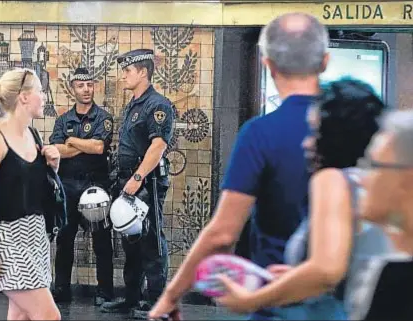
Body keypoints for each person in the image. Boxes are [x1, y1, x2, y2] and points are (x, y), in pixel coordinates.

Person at [149, 13, 329, 320]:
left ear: (267, 63)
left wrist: (170, 296)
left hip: (277, 306)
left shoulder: (261, 134)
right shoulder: (361, 129)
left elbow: (222, 233)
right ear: (325, 62)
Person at [214, 79, 391, 319]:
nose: (307, 143)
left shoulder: (332, 180)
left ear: (336, 137)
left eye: (316, 132)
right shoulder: (374, 185)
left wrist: (252, 300)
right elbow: (351, 270)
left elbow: (326, 271)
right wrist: (296, 276)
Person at [0, 68, 61, 320]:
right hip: (7, 238)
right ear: (24, 97)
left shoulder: (33, 136)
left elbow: (36, 189)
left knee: (21, 316)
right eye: (39, 91)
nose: (44, 96)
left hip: (35, 235)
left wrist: (54, 166)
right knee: (49, 316)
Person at [100, 49, 174, 319]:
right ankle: (132, 298)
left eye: (128, 71)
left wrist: (138, 178)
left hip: (147, 182)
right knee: (131, 240)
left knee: (152, 241)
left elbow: (158, 146)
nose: (123, 76)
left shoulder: (158, 105)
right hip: (128, 181)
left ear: (143, 72)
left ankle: (157, 304)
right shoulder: (134, 104)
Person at [49, 67, 114, 306]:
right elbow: (56, 151)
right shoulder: (63, 119)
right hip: (68, 187)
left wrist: (73, 142)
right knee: (65, 240)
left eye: (89, 85)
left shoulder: (103, 117)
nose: (86, 90)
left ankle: (105, 293)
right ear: (72, 88)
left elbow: (99, 148)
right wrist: (83, 145)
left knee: (101, 241)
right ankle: (62, 290)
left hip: (95, 186)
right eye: (80, 86)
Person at [347, 109, 413, 320]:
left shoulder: (398, 282)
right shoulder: (392, 274)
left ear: (407, 180)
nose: (362, 178)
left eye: (373, 166)